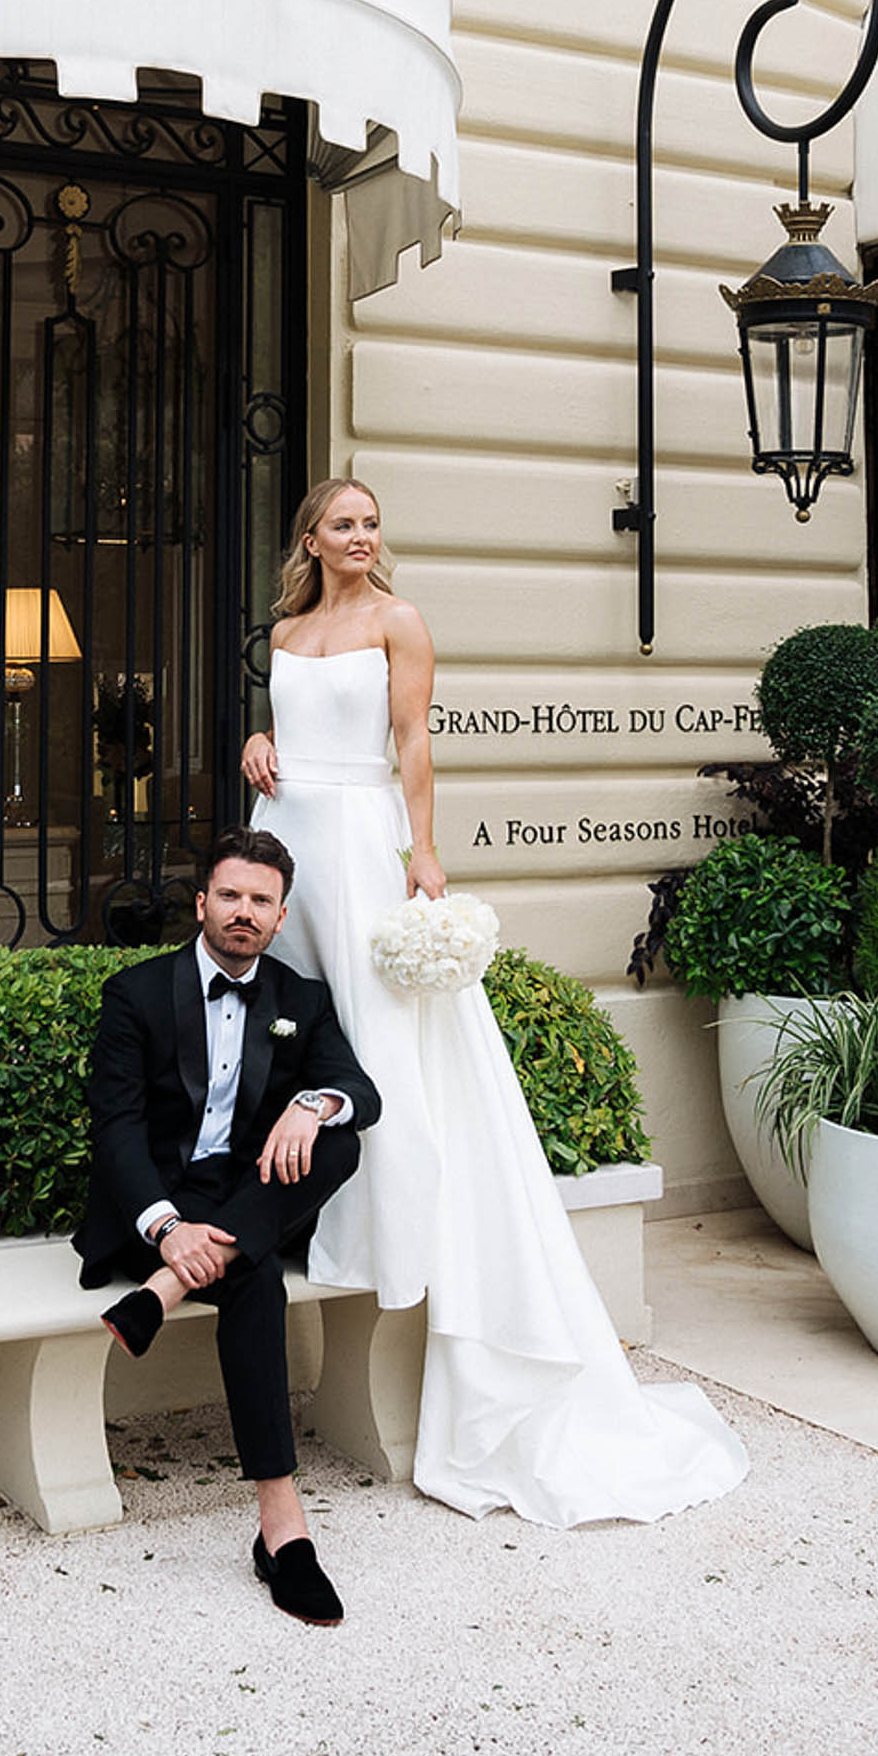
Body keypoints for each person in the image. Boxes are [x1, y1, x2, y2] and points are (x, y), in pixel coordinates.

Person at [243, 478, 749, 1527]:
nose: (362, 535)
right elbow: (288, 733)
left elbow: (414, 742)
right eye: (344, 522)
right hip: (290, 832)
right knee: (292, 1022)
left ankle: (383, 1228)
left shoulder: (400, 619)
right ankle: (291, 1203)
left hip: (364, 837)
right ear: (309, 537)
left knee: (379, 1035)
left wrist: (424, 851)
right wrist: (259, 754)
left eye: (373, 521)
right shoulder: (287, 629)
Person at [75, 824, 382, 1624]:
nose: (244, 912)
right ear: (202, 901)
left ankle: (163, 1293)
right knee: (254, 1282)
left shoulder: (299, 1001)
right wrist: (167, 1229)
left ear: (281, 918)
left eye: (261, 901)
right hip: (162, 1205)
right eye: (231, 895)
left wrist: (311, 1105)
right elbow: (115, 1129)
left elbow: (361, 1091)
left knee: (339, 1141)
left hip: (243, 1194)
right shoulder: (136, 994)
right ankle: (283, 1531)